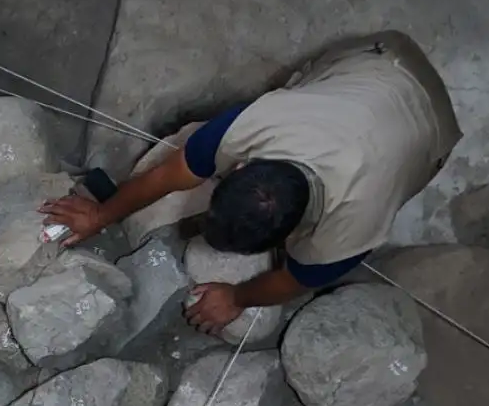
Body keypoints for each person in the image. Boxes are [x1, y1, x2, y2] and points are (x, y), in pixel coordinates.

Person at [41, 32, 460, 336]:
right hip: (381, 59)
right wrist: (101, 214)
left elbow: (297, 279)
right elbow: (166, 176)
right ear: (239, 169)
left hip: (432, 130)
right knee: (307, 79)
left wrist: (237, 298)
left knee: (401, 165)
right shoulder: (257, 122)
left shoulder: (352, 228)